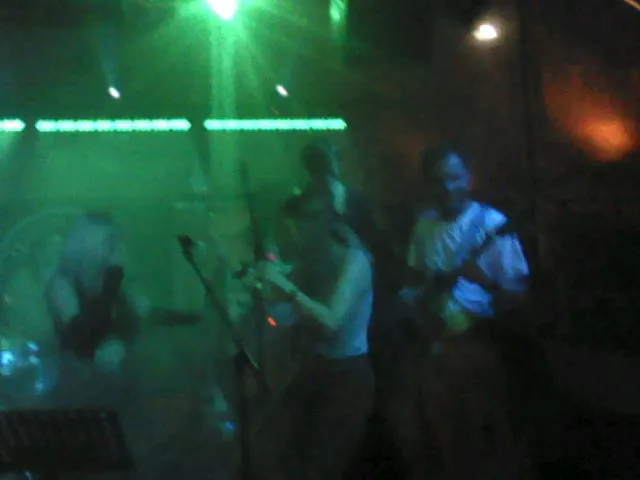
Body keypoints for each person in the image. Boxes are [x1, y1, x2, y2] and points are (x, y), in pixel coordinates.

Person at [388, 144, 530, 479]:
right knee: (439, 437)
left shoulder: (492, 225)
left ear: (469, 178)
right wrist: (410, 299)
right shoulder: (424, 225)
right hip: (431, 345)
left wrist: (485, 281)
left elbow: (520, 298)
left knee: (485, 438)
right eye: (438, 181)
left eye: (454, 177)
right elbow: (415, 277)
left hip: (478, 345)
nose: (447, 187)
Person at [251, 192, 375, 480]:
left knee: (324, 464)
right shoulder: (309, 264)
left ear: (322, 222)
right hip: (316, 368)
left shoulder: (354, 261)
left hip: (349, 374)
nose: (294, 236)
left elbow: (330, 321)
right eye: (291, 227)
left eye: (300, 226)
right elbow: (283, 318)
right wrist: (263, 292)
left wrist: (287, 289)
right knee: (282, 448)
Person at [44, 213, 140, 404]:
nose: (116, 251)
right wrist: (113, 279)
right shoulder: (62, 284)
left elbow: (136, 324)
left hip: (117, 395)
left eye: (115, 243)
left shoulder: (114, 285)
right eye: (109, 243)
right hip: (76, 396)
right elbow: (79, 334)